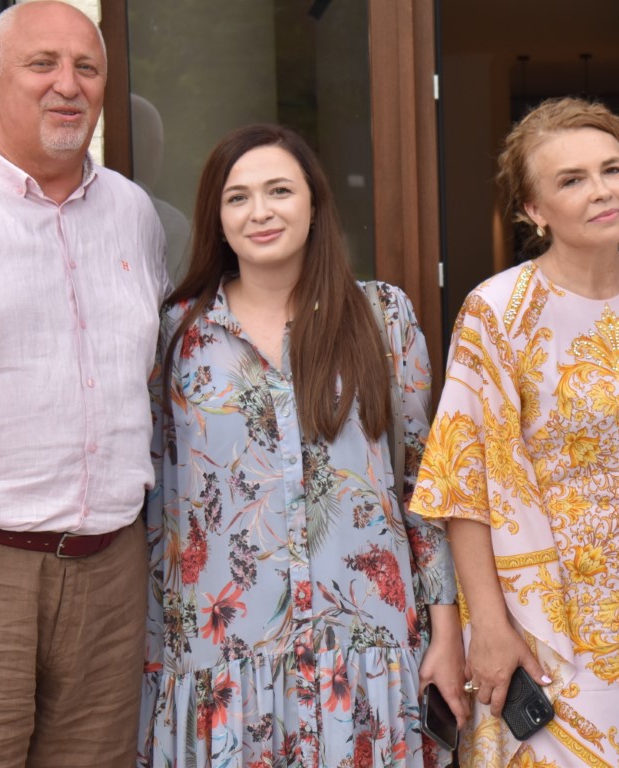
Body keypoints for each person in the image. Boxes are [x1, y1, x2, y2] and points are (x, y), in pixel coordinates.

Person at [140, 123, 467, 767]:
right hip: (222, 669)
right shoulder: (174, 336)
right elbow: (154, 507)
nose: (260, 211)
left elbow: (421, 485)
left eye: (280, 191)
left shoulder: (383, 318)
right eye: (238, 197)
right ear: (217, 219)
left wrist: (446, 628)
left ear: (314, 204)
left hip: (365, 659)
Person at [410, 97, 619, 766]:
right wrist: (490, 625)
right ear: (533, 210)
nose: (602, 191)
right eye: (572, 180)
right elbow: (464, 482)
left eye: (612, 169)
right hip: (544, 625)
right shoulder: (496, 312)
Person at [0, 2, 168, 766]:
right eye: (43, 64)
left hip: (110, 573)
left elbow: (148, 367)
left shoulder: (134, 212)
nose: (68, 85)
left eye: (87, 68)